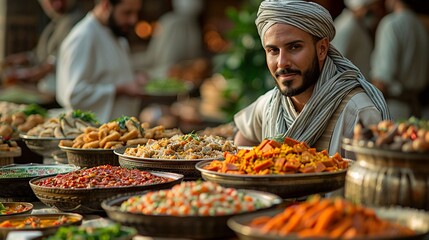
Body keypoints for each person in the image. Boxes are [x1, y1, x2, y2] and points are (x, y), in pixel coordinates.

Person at [233, 0, 390, 158]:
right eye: (273, 50)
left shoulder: (357, 112)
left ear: (322, 49)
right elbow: (242, 143)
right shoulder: (269, 105)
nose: (282, 62)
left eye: (294, 47)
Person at [56, 0, 147, 123]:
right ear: (106, 5)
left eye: (136, 12)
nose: (133, 20)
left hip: (121, 133)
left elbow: (111, 75)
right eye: (127, 12)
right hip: (94, 136)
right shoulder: (83, 36)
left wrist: (134, 79)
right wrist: (120, 89)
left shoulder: (116, 33)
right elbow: (74, 95)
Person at [2, 0, 85, 101]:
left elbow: (56, 59)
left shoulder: (75, 21)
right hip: (46, 88)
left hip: (61, 90)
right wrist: (22, 59)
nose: (57, 4)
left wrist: (31, 74)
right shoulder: (55, 23)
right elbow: (39, 53)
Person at [370, 0, 429, 120]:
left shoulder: (391, 24)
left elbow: (382, 79)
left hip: (394, 111)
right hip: (418, 110)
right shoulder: (421, 25)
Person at [131, 0, 204, 80]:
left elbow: (153, 57)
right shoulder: (175, 23)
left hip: (170, 75)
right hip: (169, 75)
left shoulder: (176, 23)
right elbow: (153, 56)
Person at [332, 0, 385, 79]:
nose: (378, 10)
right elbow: (336, 65)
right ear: (362, 8)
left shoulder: (358, 24)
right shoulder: (348, 27)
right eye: (374, 6)